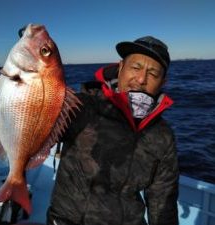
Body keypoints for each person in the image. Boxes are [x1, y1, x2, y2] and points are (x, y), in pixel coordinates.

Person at [47, 36, 179, 225]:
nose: (141, 79)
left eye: (153, 73)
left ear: (163, 82)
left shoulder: (163, 136)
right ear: (120, 67)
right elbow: (41, 133)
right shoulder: (82, 106)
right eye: (135, 67)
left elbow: (162, 199)